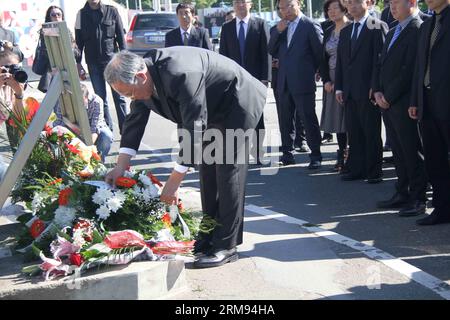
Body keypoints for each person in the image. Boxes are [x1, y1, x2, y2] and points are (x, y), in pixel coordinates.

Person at [104, 48, 266, 268]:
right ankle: (209, 236)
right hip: (209, 108)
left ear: (141, 77)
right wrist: (120, 166)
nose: (130, 98)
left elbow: (194, 127)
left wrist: (173, 183)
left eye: (129, 94)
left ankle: (226, 245)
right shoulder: (142, 79)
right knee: (207, 169)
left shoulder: (180, 72)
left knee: (228, 170)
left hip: (237, 101)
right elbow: (135, 120)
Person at [372, 0, 427, 216]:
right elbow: (381, 63)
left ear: (411, 3)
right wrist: (377, 90)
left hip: (404, 102)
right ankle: (402, 191)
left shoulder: (418, 28)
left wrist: (390, 96)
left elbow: (410, 69)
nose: (391, 7)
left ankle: (418, 198)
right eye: (390, 3)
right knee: (398, 151)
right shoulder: (394, 29)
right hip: (386, 102)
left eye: (396, 3)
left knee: (412, 151)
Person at [335, 0, 388, 183]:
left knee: (371, 132)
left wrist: (376, 86)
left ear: (368, 3)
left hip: (368, 91)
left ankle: (374, 171)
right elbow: (342, 63)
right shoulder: (346, 31)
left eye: (357, 1)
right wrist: (339, 87)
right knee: (354, 132)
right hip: (349, 91)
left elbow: (380, 60)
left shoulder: (377, 26)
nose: (353, 5)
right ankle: (356, 168)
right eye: (349, 2)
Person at [268, 0, 323, 169]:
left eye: (290, 5)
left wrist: (312, 71)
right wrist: (278, 31)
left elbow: (319, 52)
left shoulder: (310, 25)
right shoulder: (278, 28)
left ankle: (315, 155)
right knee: (285, 120)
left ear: (299, 4)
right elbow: (271, 49)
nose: (286, 10)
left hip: (303, 81)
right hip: (283, 81)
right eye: (282, 8)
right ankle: (287, 153)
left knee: (308, 118)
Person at [409, 0, 450, 225]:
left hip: (447, 99)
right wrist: (416, 99)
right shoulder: (427, 24)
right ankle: (442, 209)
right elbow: (420, 66)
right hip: (428, 101)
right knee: (434, 159)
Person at [219, 0, 270, 164]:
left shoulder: (260, 24)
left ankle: (258, 151)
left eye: (243, 2)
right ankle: (238, 152)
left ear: (250, 4)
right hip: (233, 81)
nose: (240, 5)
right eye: (237, 2)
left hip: (256, 80)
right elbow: (223, 55)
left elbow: (266, 53)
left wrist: (265, 77)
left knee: (257, 117)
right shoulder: (227, 27)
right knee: (233, 116)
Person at [75, 0, 128, 133]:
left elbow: (121, 38)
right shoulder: (81, 15)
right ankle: (106, 130)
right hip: (93, 63)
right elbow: (78, 43)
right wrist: (78, 63)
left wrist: (124, 60)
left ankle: (126, 130)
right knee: (100, 99)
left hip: (113, 63)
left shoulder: (112, 11)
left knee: (119, 97)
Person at [320, 0, 351, 172]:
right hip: (331, 81)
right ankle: (341, 152)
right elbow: (322, 59)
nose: (331, 12)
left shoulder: (352, 28)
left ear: (344, 8)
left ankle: (352, 154)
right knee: (337, 119)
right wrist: (326, 80)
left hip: (348, 80)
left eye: (335, 8)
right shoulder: (328, 31)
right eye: (328, 9)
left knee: (349, 118)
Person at [54, 83, 112, 163]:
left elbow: (95, 128)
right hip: (70, 129)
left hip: (91, 131)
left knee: (106, 135)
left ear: (86, 98)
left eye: (80, 102)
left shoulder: (96, 101)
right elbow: (59, 122)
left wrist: (87, 149)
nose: (77, 105)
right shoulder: (63, 99)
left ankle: (98, 162)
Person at [34, 6, 80, 93]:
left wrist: (70, 49)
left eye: (59, 14)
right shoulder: (45, 33)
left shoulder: (67, 31)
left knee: (70, 98)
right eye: (53, 15)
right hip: (53, 73)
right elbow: (46, 53)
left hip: (68, 70)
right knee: (54, 101)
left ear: (62, 16)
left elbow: (77, 53)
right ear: (49, 17)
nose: (56, 17)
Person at [0, 50, 26, 152]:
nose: (9, 73)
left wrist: (19, 93)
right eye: (5, 68)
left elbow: (19, 120)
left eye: (14, 68)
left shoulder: (15, 86)